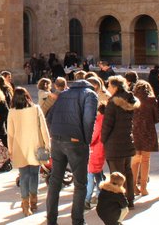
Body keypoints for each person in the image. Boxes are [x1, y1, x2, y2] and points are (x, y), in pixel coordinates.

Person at [45, 75, 98, 225]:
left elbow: (49, 117)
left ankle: (51, 220)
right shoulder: (90, 94)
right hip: (76, 141)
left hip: (57, 140)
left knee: (55, 181)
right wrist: (85, 140)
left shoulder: (63, 94)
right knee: (80, 184)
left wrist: (55, 134)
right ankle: (77, 221)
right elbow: (89, 119)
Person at [7, 86, 50, 216]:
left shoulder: (12, 112)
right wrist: (47, 143)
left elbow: (10, 133)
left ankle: (25, 204)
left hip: (19, 147)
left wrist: (10, 149)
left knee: (24, 176)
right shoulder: (36, 109)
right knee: (34, 174)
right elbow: (44, 128)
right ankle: (34, 201)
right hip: (35, 145)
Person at [101, 75, 139, 209]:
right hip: (127, 140)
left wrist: (103, 140)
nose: (108, 89)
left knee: (116, 174)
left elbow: (107, 125)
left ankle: (120, 201)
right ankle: (130, 200)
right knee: (127, 172)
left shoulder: (113, 103)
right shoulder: (129, 100)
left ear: (116, 87)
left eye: (110, 86)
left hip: (114, 143)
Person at [130, 80, 159, 197]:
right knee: (145, 160)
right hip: (148, 132)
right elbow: (157, 118)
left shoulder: (131, 99)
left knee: (135, 160)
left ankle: (132, 186)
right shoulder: (151, 100)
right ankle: (143, 187)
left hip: (134, 132)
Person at [85, 103, 106, 210]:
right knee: (98, 174)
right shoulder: (106, 120)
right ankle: (99, 196)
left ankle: (86, 200)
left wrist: (86, 141)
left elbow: (93, 136)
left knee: (89, 176)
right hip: (101, 151)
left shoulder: (99, 120)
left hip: (94, 150)